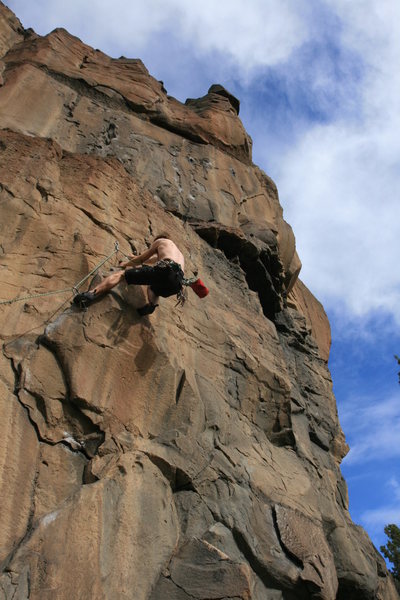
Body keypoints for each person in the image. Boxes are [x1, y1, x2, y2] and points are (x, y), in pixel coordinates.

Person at [73, 234, 185, 316]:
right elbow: (151, 260)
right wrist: (134, 258)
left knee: (121, 275)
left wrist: (125, 264)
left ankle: (91, 294)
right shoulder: (178, 254)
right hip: (176, 284)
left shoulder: (161, 241)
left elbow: (141, 259)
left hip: (165, 271)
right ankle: (151, 306)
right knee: (154, 287)